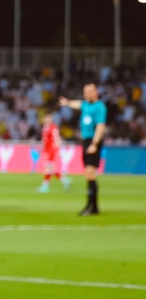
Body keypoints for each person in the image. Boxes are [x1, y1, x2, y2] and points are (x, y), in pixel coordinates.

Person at [60, 83, 107, 216]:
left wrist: (94, 143)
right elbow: (78, 104)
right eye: (85, 92)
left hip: (93, 141)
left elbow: (100, 126)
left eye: (90, 92)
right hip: (86, 141)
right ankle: (95, 207)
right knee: (87, 173)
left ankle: (90, 206)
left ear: (95, 92)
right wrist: (67, 102)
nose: (87, 94)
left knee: (90, 173)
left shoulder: (99, 107)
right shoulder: (86, 105)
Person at [36, 112, 70, 193]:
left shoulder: (53, 127)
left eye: (48, 118)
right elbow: (44, 140)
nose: (46, 119)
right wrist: (42, 149)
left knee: (48, 168)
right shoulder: (45, 127)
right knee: (49, 169)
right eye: (45, 118)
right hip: (47, 150)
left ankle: (45, 186)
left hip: (51, 150)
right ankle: (64, 180)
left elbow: (57, 139)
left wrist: (58, 150)